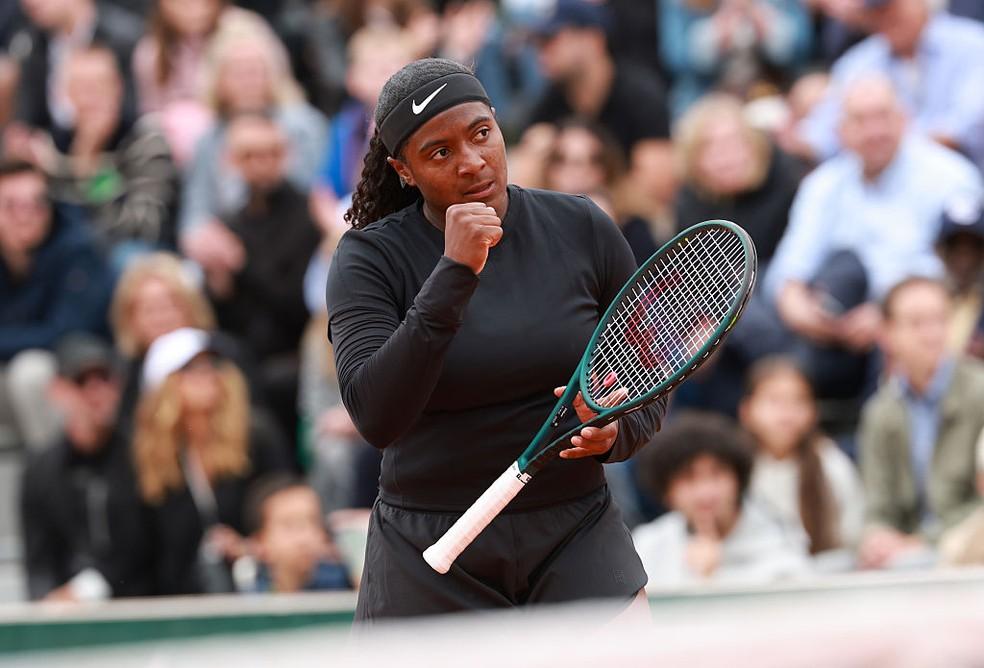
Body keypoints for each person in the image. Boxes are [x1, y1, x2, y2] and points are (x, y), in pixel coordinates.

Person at [326, 58, 665, 620]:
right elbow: (375, 415)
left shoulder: (582, 226)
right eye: (440, 152)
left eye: (482, 133)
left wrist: (616, 430)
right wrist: (453, 274)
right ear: (402, 170)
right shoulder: (368, 257)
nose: (472, 161)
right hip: (429, 546)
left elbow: (648, 372)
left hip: (575, 529)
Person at [763, 75, 982, 401]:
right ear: (840, 131)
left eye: (883, 117)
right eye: (860, 120)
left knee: (909, 326)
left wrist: (885, 313)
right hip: (834, 328)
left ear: (904, 119)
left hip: (917, 320)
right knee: (768, 334)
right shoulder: (823, 185)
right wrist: (805, 312)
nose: (874, 131)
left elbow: (965, 271)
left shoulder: (949, 175)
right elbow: (788, 274)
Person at [133, 327, 291, 595]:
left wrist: (248, 547)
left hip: (260, 587)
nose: (206, 375)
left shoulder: (256, 435)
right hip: (178, 603)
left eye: (210, 365)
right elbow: (143, 555)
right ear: (164, 387)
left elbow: (287, 509)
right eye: (191, 368)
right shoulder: (149, 460)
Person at [205, 114, 322, 447]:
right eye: (250, 156)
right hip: (246, 351)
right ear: (231, 161)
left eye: (271, 154)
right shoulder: (231, 221)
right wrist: (219, 286)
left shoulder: (306, 214)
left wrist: (242, 268)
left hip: (295, 350)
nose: (262, 164)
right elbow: (226, 314)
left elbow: (300, 303)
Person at [177, 29, 327, 278]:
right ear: (219, 80)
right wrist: (207, 239)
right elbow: (194, 216)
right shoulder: (207, 140)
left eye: (255, 70)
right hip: (231, 246)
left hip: (294, 239)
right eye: (238, 71)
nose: (248, 79)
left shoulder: (305, 126)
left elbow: (320, 193)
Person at [858, 277, 984, 569]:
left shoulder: (980, 392)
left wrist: (924, 541)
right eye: (916, 323)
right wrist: (876, 536)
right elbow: (877, 506)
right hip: (909, 554)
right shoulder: (880, 412)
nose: (932, 333)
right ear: (886, 333)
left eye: (940, 320)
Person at [20, 334, 154, 601]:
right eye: (81, 381)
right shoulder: (41, 469)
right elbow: (39, 560)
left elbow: (149, 548)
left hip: (145, 606)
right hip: (68, 616)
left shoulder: (145, 454)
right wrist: (46, 606)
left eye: (105, 379)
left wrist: (87, 589)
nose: (96, 392)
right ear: (57, 391)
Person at [23, 46, 178, 267]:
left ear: (118, 87)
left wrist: (91, 165)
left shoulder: (146, 140)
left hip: (131, 254)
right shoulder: (51, 147)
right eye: (81, 87)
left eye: (98, 86)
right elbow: (54, 225)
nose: (90, 98)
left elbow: (144, 227)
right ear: (67, 93)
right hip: (68, 256)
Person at [0, 160, 115, 451]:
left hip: (76, 374)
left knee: (31, 372)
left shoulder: (79, 249)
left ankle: (54, 483)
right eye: (11, 205)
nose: (26, 216)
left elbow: (66, 333)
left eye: (37, 204)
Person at [632, 412, 812, 589]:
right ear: (667, 491)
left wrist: (711, 578)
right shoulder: (647, 545)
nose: (705, 492)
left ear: (738, 481)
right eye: (688, 478)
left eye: (717, 474)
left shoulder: (781, 541)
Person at [799, 0, 984, 171]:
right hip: (879, 193)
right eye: (875, 11)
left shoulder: (973, 44)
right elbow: (820, 137)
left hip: (964, 181)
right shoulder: (859, 62)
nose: (885, 17)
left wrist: (877, 143)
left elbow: (960, 130)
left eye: (892, 6)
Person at [739, 357, 865, 561]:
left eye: (798, 400)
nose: (786, 413)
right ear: (746, 411)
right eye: (774, 400)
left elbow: (853, 536)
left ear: (813, 411)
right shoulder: (735, 469)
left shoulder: (831, 463)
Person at [527, 0, 671, 172]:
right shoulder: (549, 100)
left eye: (551, 39)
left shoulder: (641, 96)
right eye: (538, 43)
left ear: (594, 40)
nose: (542, 51)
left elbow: (659, 179)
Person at [673, 93, 804, 266]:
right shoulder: (688, 201)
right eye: (710, 147)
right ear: (693, 160)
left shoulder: (791, 181)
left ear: (755, 144)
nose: (726, 156)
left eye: (733, 142)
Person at [8, 0, 141, 136]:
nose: (29, 3)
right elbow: (27, 119)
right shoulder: (28, 44)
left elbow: (135, 116)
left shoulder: (125, 40)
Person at [659, 0, 813, 117]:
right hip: (705, 96)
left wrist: (764, 22)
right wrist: (718, 31)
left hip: (771, 93)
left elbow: (802, 51)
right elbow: (677, 60)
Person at [234, 474, 351, 593]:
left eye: (313, 521)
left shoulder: (344, 588)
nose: (306, 536)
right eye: (290, 525)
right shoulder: (247, 597)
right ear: (259, 542)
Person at [934, 195, 984, 359]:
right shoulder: (922, 297)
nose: (964, 260)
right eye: (955, 248)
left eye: (974, 249)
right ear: (940, 251)